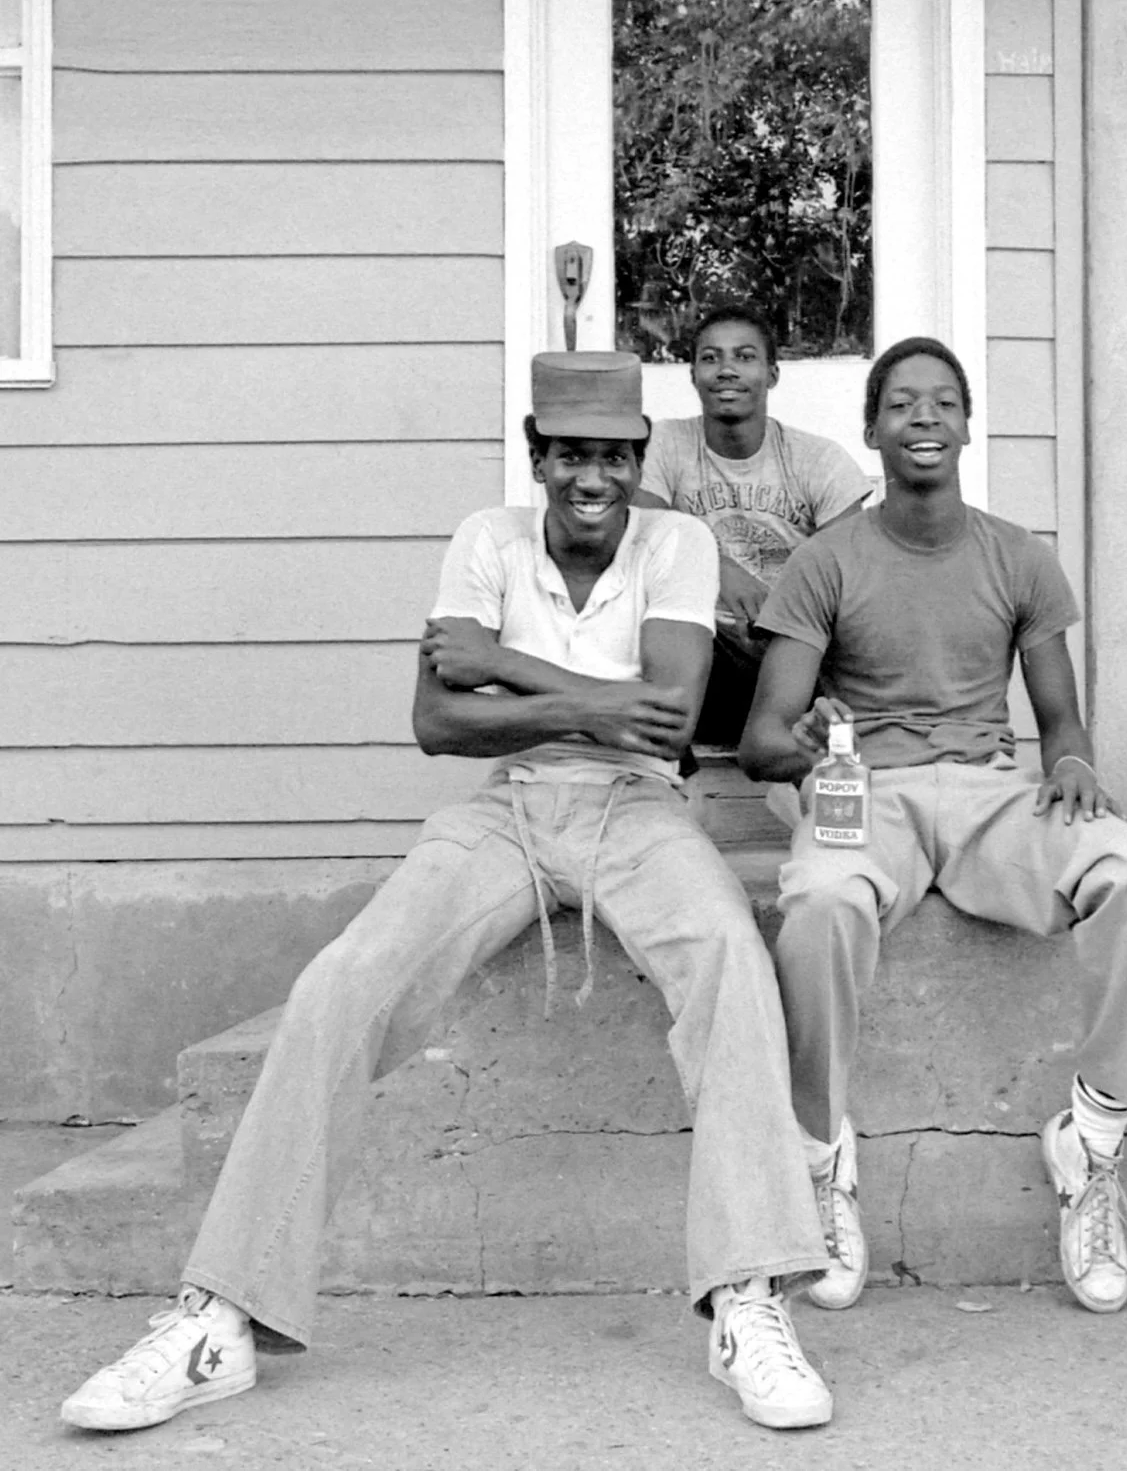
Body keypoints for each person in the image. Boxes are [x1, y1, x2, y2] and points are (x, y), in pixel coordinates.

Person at [62, 353, 837, 1435]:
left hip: (637, 813)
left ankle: (746, 1301)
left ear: (634, 461)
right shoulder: (486, 540)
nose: (591, 478)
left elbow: (663, 719)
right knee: (344, 980)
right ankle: (219, 1319)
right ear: (536, 453)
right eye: (570, 454)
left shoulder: (680, 544)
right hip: (505, 812)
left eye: (613, 455)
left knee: (728, 961)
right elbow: (437, 727)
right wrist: (594, 707)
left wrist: (507, 669)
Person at [738, 336, 1127, 1319]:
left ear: (969, 425)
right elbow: (764, 735)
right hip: (870, 793)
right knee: (814, 902)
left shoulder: (1016, 555)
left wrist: (1069, 757)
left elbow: (1060, 720)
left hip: (988, 792)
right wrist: (808, 746)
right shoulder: (826, 561)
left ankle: (1092, 1138)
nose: (923, 419)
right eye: (901, 404)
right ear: (871, 431)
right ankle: (819, 1157)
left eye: (942, 402)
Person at [634, 303, 873, 748]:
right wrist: (718, 569)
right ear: (692, 375)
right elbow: (641, 533)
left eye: (744, 357)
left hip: (792, 654)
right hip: (701, 651)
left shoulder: (819, 462)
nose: (726, 370)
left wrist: (782, 614)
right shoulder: (664, 445)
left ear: (773, 374)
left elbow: (847, 574)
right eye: (711, 357)